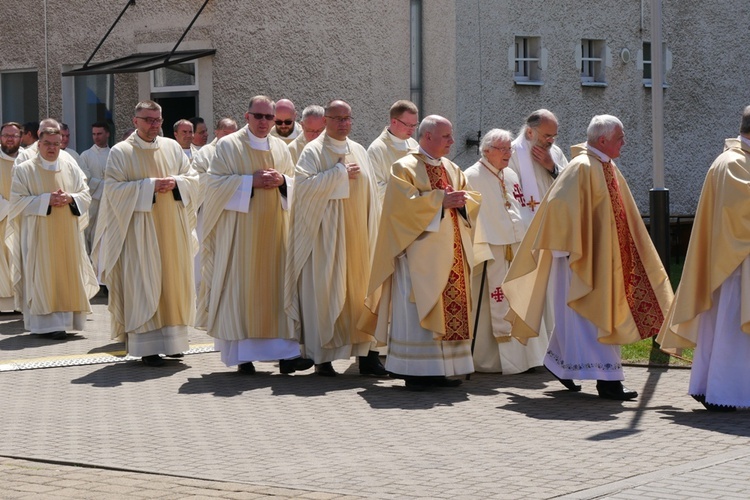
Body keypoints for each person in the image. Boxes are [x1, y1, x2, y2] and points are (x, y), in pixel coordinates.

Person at [503, 115, 673, 400]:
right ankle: (608, 381)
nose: (625, 142)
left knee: (585, 319)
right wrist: (572, 250)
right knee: (593, 317)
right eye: (620, 137)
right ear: (603, 140)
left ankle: (559, 364)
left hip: (604, 258)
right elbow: (558, 207)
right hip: (579, 260)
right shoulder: (582, 167)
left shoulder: (606, 166)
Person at [361, 115, 480, 390]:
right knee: (418, 311)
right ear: (427, 137)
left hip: (451, 255)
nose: (452, 141)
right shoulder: (404, 168)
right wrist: (440, 202)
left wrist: (462, 202)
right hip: (417, 258)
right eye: (446, 136)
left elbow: (470, 197)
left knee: (448, 309)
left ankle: (443, 369)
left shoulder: (451, 167)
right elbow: (400, 211)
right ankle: (415, 370)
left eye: (451, 135)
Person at [198, 96, 313, 375]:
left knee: (277, 289)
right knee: (242, 290)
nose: (264, 123)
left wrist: (283, 182)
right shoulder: (228, 146)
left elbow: (294, 181)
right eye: (258, 116)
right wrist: (251, 182)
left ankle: (286, 356)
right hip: (240, 237)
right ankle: (243, 357)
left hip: (275, 233)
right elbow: (212, 186)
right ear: (247, 116)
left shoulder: (280, 148)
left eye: (269, 118)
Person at [657, 106, 750, 411]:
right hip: (734, 267)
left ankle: (712, 388)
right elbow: (740, 215)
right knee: (730, 330)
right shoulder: (734, 163)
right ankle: (723, 393)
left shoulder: (739, 160)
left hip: (733, 263)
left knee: (726, 330)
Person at [93, 100, 199, 366]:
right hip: (139, 232)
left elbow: (193, 179)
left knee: (172, 283)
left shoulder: (172, 147)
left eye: (158, 120)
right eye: (148, 120)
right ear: (135, 121)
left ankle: (174, 342)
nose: (154, 125)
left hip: (172, 229)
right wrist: (150, 186)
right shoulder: (120, 152)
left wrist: (176, 183)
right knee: (144, 282)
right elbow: (113, 192)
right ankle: (148, 347)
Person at [285, 99, 385, 377]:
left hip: (358, 237)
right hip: (326, 238)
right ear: (326, 121)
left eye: (347, 118)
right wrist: (339, 174)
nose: (343, 123)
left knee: (360, 295)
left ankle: (367, 357)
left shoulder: (360, 150)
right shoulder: (313, 151)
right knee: (327, 294)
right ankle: (323, 359)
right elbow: (303, 190)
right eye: (337, 118)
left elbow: (372, 194)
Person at [464, 129, 548, 374]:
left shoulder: (510, 174)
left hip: (515, 247)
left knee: (521, 301)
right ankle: (492, 361)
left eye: (509, 149)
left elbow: (517, 209)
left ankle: (528, 358)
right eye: (502, 149)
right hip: (490, 252)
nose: (508, 153)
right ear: (486, 150)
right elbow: (470, 218)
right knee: (495, 304)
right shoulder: (472, 176)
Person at [9, 127, 98, 339]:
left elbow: (85, 195)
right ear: (38, 145)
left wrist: (69, 198)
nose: (52, 148)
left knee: (67, 273)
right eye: (47, 143)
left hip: (68, 233)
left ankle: (67, 321)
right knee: (43, 274)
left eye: (56, 144)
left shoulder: (70, 166)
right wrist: (45, 200)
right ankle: (45, 325)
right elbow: (17, 202)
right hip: (39, 235)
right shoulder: (25, 169)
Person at [191, 117, 238, 296]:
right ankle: (202, 293)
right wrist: (224, 183)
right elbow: (196, 180)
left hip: (233, 210)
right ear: (217, 132)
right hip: (208, 211)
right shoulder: (205, 153)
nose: (229, 138)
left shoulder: (240, 152)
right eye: (226, 134)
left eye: (233, 134)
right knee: (205, 254)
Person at [508, 109, 568, 217]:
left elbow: (571, 183)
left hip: (553, 219)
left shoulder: (556, 152)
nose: (551, 141)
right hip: (525, 224)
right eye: (547, 136)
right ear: (530, 132)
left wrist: (552, 167)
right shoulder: (511, 154)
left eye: (554, 136)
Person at [367, 100, 420, 204]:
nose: (412, 129)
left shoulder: (414, 144)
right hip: (390, 213)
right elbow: (376, 188)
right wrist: (410, 192)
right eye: (408, 125)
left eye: (415, 125)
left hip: (414, 212)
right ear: (394, 122)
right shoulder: (376, 149)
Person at [0, 122, 23, 311]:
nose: (9, 139)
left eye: (14, 136)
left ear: (21, 138)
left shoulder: (28, 159)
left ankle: (20, 302)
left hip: (23, 220)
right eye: (6, 135)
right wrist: (9, 206)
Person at [79, 122, 111, 254]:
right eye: (94, 134)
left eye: (99, 134)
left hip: (109, 201)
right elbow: (84, 178)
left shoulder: (114, 153)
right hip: (93, 201)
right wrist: (106, 186)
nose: (96, 137)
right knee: (89, 231)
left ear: (107, 134)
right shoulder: (85, 155)